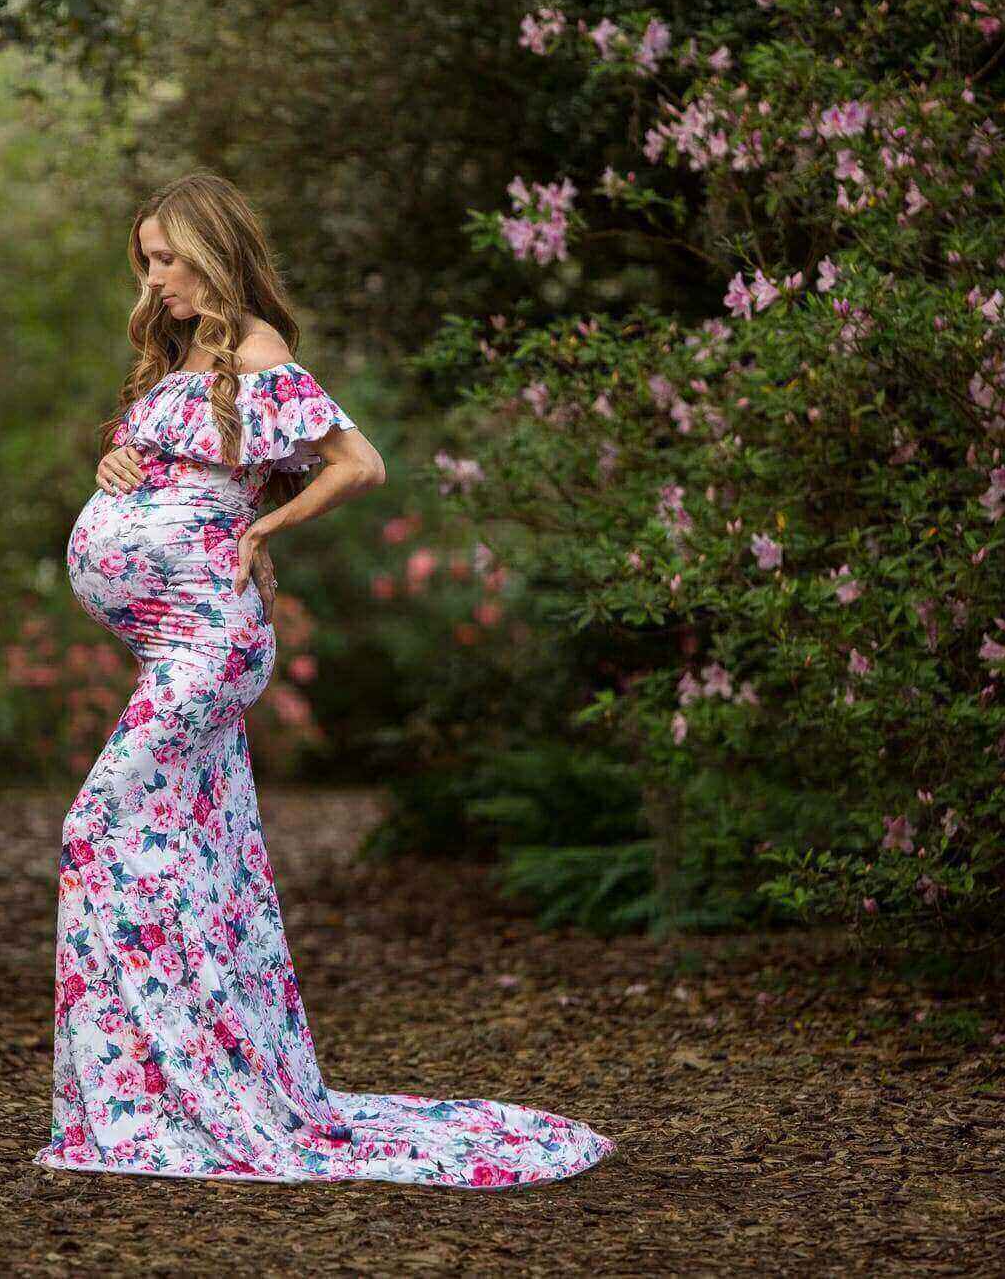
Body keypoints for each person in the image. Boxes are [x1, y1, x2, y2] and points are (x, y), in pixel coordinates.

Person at [37, 172, 618, 1189]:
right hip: (170, 642)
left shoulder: (257, 349)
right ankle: (177, 1091)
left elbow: (358, 463)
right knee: (191, 863)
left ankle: (166, 1094)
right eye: (146, 260)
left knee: (98, 831)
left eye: (170, 257)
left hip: (204, 645)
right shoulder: (182, 359)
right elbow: (159, 461)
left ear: (213, 252)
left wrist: (263, 526)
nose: (154, 275)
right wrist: (110, 471)